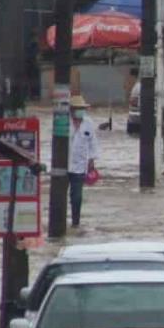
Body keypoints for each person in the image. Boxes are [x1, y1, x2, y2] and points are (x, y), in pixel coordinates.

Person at [68, 95, 100, 229]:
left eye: (82, 109)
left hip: (80, 167)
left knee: (77, 197)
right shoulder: (64, 122)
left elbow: (93, 144)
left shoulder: (89, 123)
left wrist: (91, 162)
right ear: (71, 110)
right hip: (63, 166)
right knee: (59, 198)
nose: (81, 111)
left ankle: (75, 223)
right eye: (78, 109)